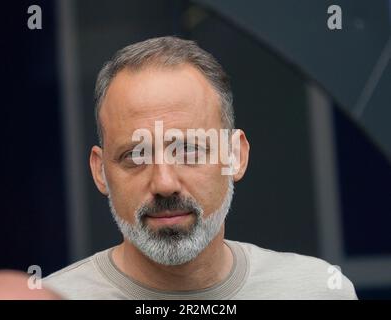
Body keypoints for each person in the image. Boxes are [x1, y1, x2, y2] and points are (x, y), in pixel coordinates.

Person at [43, 36, 357, 299]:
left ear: (235, 155)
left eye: (190, 151)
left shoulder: (318, 292)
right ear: (100, 171)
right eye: (136, 156)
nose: (164, 183)